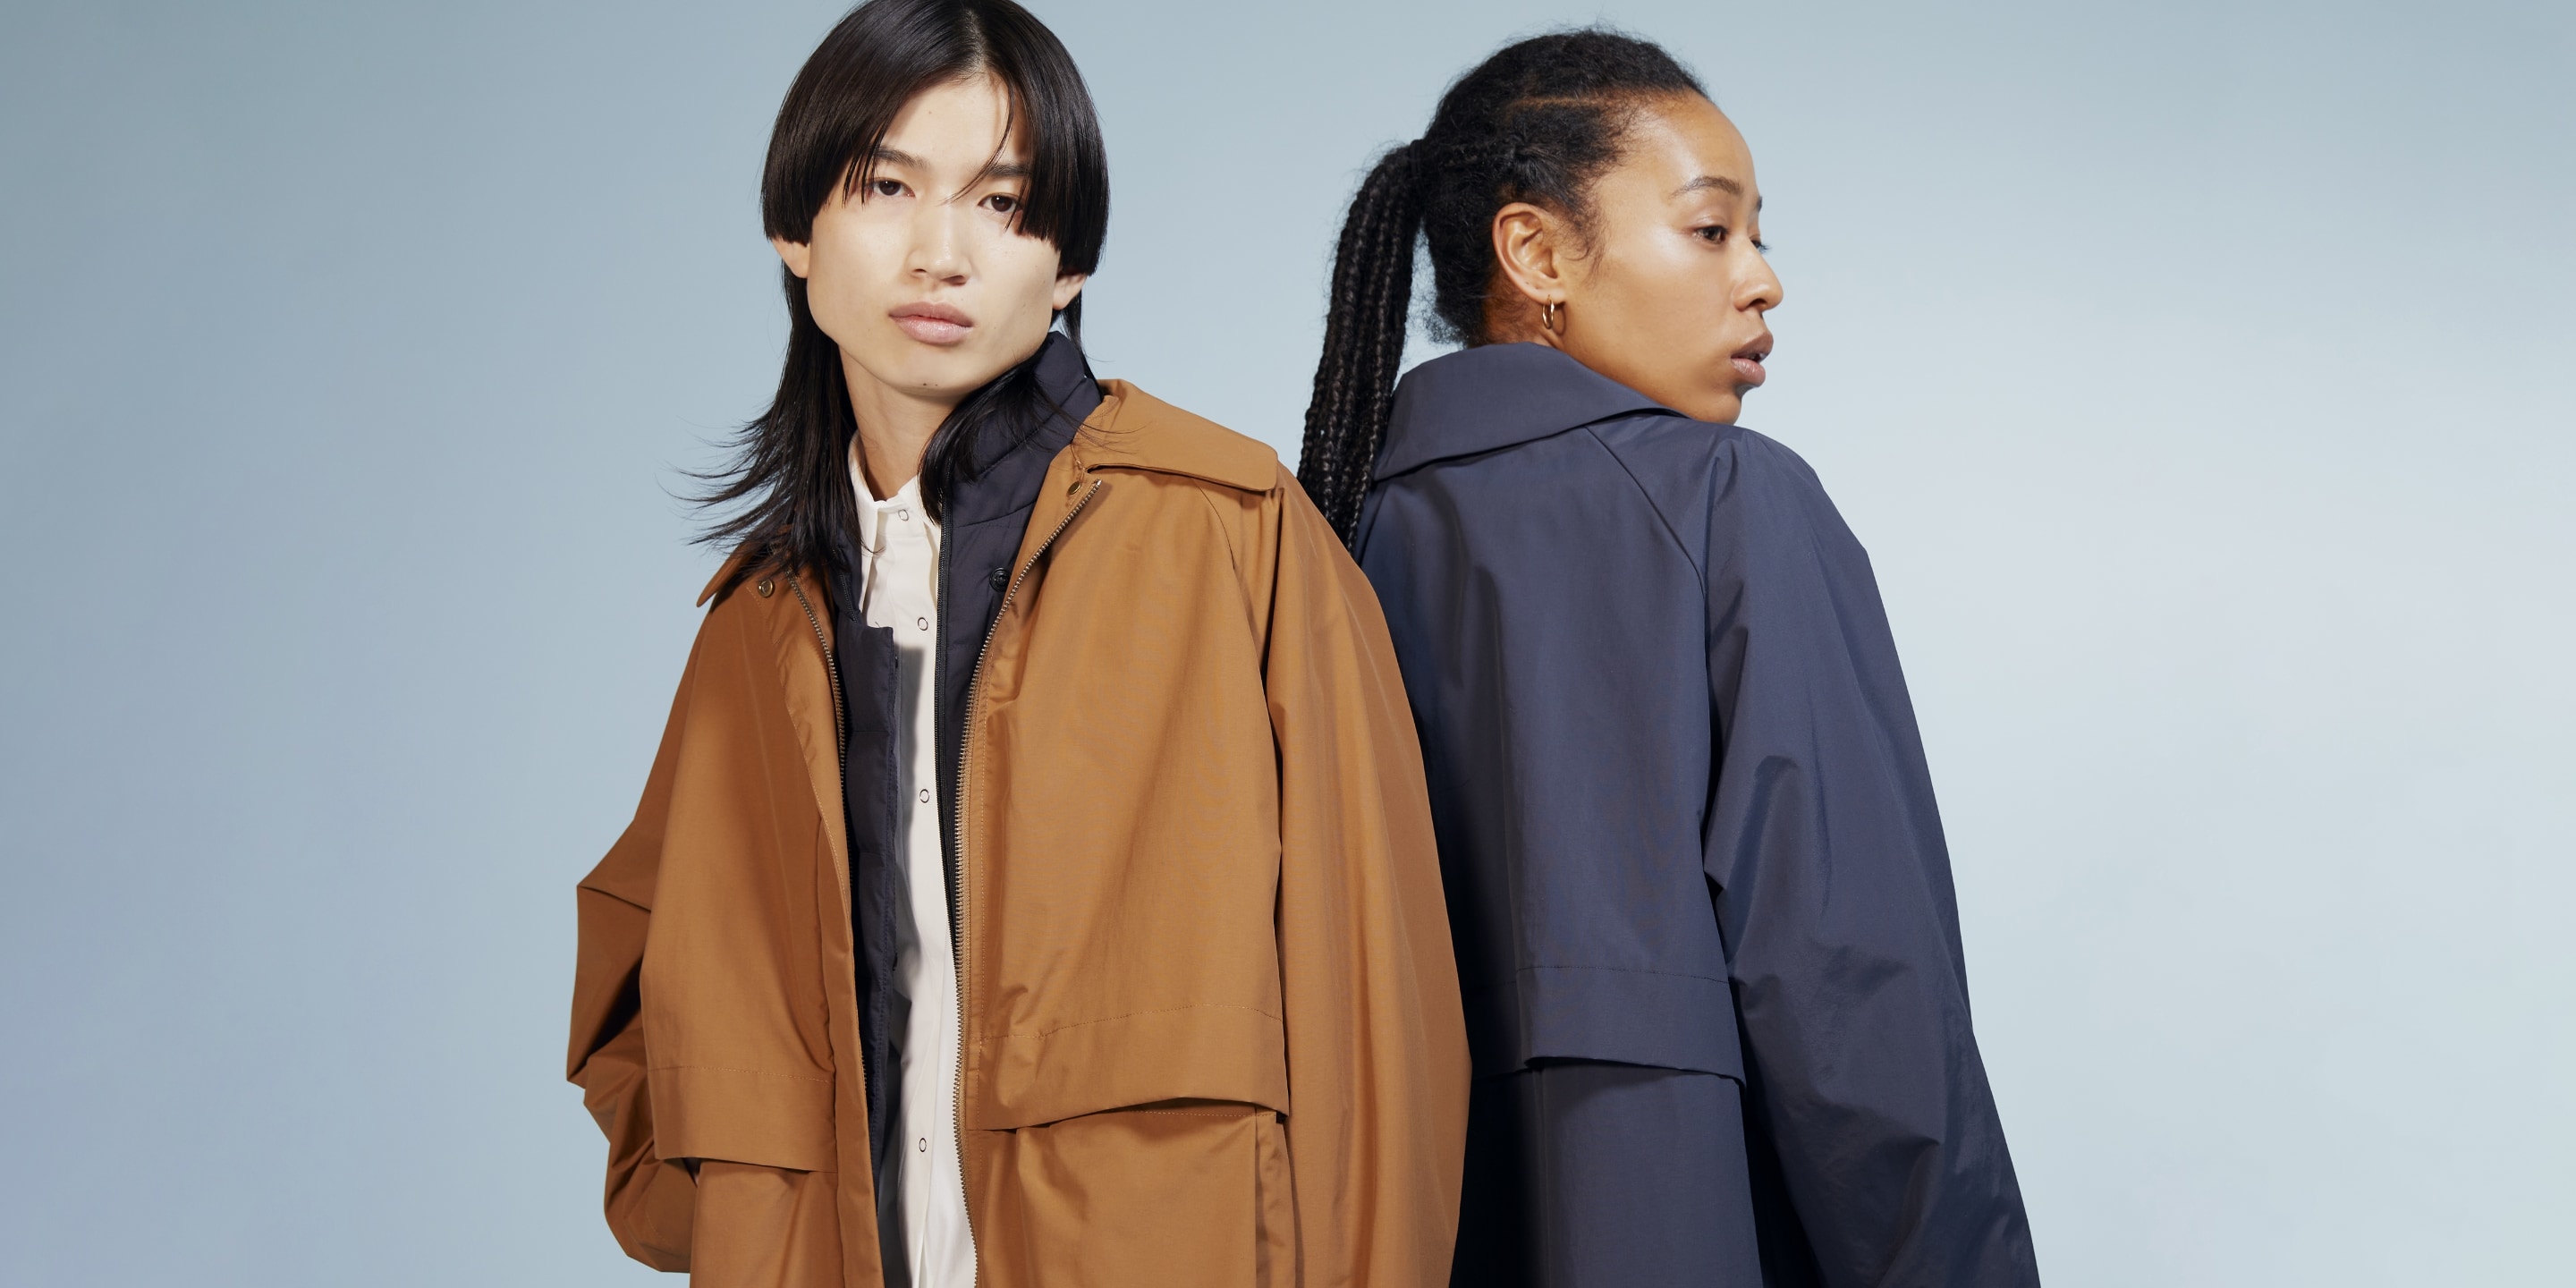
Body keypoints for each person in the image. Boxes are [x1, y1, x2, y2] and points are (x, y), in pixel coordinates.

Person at [566, 2, 1469, 1284]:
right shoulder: (762, 619)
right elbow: (639, 978)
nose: (942, 255)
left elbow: (1379, 1025)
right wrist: (736, 1207)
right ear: (795, 230)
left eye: (1002, 204)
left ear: (1069, 263)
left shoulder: (1229, 533)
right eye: (886, 186)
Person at [1299, 30, 2039, 1288]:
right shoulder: (1729, 499)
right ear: (1537, 254)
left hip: (1382, 1222)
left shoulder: (1318, 537)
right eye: (1711, 230)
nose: (1763, 281)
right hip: (1672, 1209)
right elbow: (1851, 977)